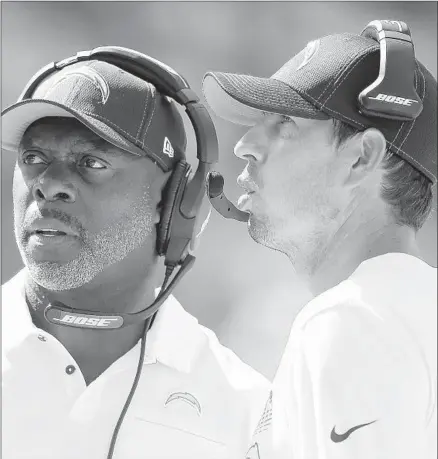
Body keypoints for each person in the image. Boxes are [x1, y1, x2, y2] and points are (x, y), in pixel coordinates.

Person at [1, 48, 270, 459]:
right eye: (33, 158)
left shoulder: (247, 412)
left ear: (177, 203)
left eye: (91, 162)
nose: (49, 184)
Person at [202, 19, 437, 459]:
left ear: (361, 158)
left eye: (285, 123)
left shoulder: (353, 321)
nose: (245, 145)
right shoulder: (403, 313)